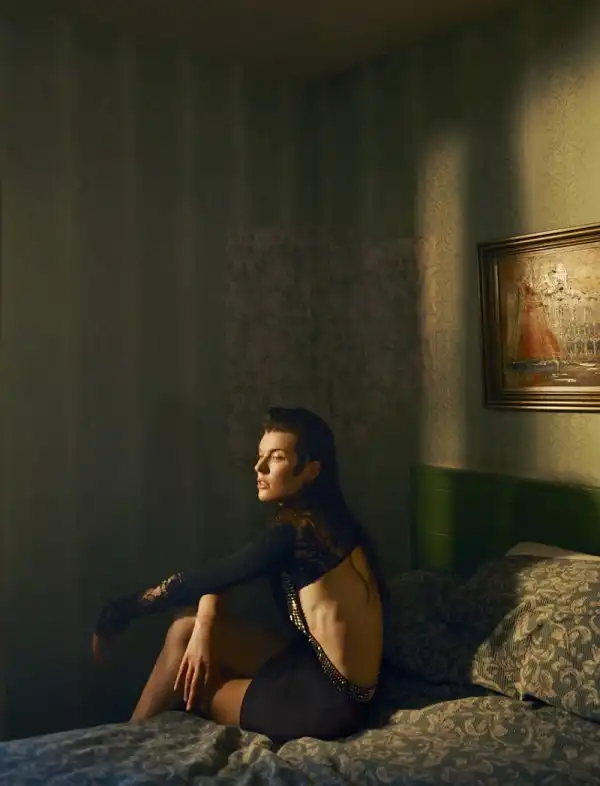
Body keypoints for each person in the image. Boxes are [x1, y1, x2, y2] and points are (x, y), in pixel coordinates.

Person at [92, 407, 386, 742]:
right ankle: (131, 732)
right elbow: (226, 573)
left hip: (329, 704)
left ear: (311, 470)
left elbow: (199, 580)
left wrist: (121, 611)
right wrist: (204, 625)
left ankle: (125, 742)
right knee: (186, 628)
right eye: (261, 455)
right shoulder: (322, 519)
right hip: (314, 668)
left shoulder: (298, 533)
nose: (259, 468)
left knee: (192, 689)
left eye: (276, 458)